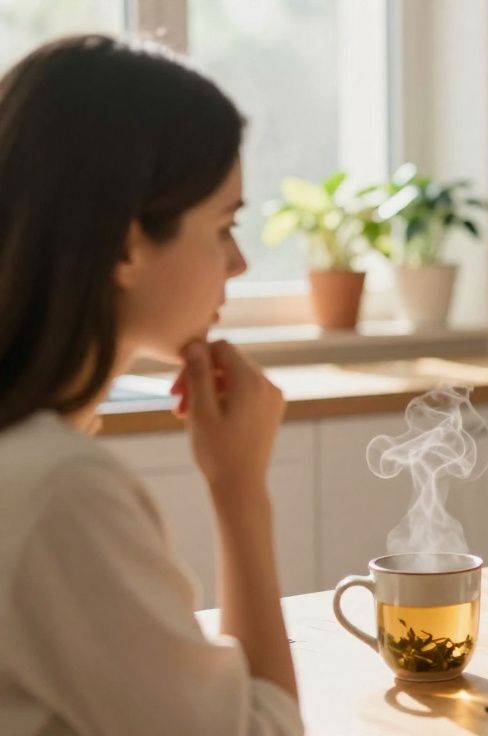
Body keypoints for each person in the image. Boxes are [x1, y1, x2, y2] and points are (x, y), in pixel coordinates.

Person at [0, 35, 302, 734]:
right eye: (224, 226)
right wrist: (240, 492)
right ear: (128, 244)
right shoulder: (60, 491)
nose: (240, 263)